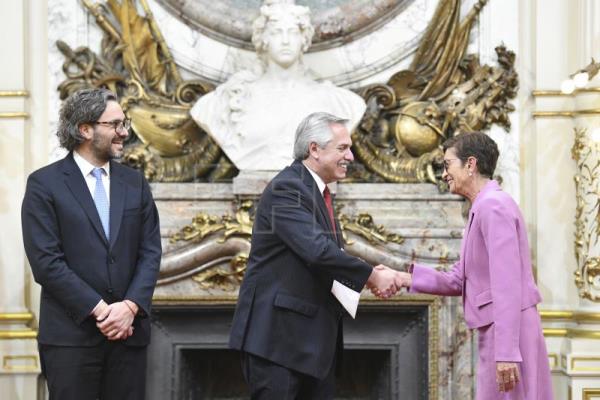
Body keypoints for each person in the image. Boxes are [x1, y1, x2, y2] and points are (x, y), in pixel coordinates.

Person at [229, 112, 398, 399]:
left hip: (310, 345)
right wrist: (371, 276)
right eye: (342, 148)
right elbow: (318, 251)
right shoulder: (288, 188)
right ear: (315, 149)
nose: (352, 156)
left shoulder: (316, 192)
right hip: (278, 344)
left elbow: (326, 257)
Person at [377, 132, 553, 399]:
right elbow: (459, 278)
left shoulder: (493, 206)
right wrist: (402, 278)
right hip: (499, 329)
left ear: (470, 164)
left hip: (508, 332)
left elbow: (507, 285)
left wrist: (506, 352)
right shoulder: (482, 206)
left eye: (447, 164)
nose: (444, 173)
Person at [21, 88, 162, 400]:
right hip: (71, 338)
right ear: (85, 129)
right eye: (114, 125)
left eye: (123, 123)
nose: (124, 132)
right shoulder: (44, 184)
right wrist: (101, 311)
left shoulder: (134, 182)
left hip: (129, 336)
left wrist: (129, 307)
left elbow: (150, 251)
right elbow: (46, 263)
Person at [191, 0, 366, 171]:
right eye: (276, 32)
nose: (285, 40)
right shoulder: (230, 99)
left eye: (292, 32)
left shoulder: (339, 102)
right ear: (263, 39)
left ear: (304, 39)